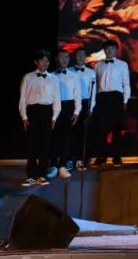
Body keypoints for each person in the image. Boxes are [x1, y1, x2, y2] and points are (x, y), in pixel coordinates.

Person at [18, 50, 61, 186]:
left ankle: (42, 175)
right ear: (36, 62)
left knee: (45, 145)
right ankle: (31, 175)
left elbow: (57, 98)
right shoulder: (28, 77)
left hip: (47, 112)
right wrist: (24, 116)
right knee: (32, 144)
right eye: (42, 60)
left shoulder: (54, 79)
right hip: (32, 112)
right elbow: (22, 98)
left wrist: (54, 117)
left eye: (47, 61)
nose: (45, 63)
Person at [92, 42, 130, 166]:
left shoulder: (122, 65)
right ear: (104, 50)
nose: (109, 51)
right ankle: (100, 157)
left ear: (116, 50)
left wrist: (125, 100)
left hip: (116, 97)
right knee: (100, 129)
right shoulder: (98, 65)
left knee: (116, 129)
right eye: (107, 48)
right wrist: (93, 102)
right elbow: (94, 85)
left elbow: (126, 84)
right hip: (101, 97)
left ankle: (116, 157)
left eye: (112, 48)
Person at [49, 48, 81, 179]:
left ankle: (63, 165)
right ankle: (53, 165)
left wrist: (76, 111)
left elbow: (77, 95)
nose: (64, 60)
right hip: (53, 107)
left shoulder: (74, 76)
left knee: (66, 138)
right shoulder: (50, 75)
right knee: (53, 138)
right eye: (61, 57)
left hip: (68, 107)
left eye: (66, 57)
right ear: (56, 59)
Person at [67, 47, 96, 171]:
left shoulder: (91, 73)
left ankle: (80, 160)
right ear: (75, 56)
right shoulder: (68, 71)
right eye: (78, 55)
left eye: (83, 55)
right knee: (70, 133)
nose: (80, 57)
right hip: (71, 103)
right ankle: (69, 160)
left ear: (86, 57)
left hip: (85, 104)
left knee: (82, 134)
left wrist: (91, 108)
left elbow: (93, 92)